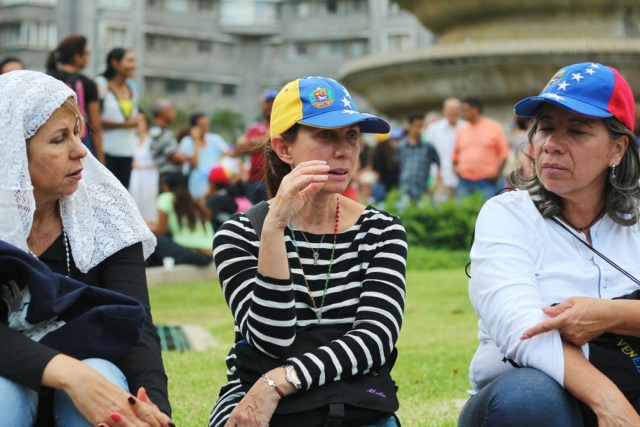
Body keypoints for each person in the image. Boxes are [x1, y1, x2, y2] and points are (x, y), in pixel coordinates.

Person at [209, 76, 407, 427]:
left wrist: (278, 383)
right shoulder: (239, 234)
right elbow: (271, 340)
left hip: (350, 395)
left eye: (352, 136)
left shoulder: (381, 231)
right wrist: (273, 230)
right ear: (284, 149)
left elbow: (375, 339)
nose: (343, 150)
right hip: (253, 398)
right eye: (325, 135)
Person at [458, 62, 640, 426]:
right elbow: (523, 329)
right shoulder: (507, 215)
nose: (552, 145)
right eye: (545, 128)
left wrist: (609, 315)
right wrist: (611, 406)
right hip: (532, 401)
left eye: (577, 131)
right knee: (529, 398)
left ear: (617, 149)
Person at [0, 70, 172, 426]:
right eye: (59, 139)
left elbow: (136, 327)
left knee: (101, 371)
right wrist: (66, 372)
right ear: (12, 154)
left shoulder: (106, 213)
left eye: (78, 134)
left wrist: (154, 410)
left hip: (91, 394)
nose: (81, 151)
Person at [46, 34, 104, 163]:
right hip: (80, 141)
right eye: (87, 54)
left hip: (52, 140)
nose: (88, 58)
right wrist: (100, 158)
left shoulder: (47, 78)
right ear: (77, 56)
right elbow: (95, 125)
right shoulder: (87, 83)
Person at [96, 47, 142, 189]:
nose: (134, 65)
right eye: (129, 61)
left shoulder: (133, 87)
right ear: (115, 63)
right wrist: (124, 125)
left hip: (127, 151)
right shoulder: (101, 84)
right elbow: (93, 119)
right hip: (105, 152)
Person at [146, 172, 214, 266]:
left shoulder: (166, 198)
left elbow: (160, 230)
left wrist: (144, 227)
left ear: (166, 186)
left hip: (192, 251)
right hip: (210, 252)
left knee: (151, 239)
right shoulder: (192, 200)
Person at [453, 96, 510, 202]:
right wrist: (457, 171)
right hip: (465, 181)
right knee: (462, 212)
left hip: (487, 181)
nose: (462, 113)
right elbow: (455, 155)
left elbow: (504, 153)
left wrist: (496, 173)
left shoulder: (494, 127)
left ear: (475, 109)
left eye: (465, 110)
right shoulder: (462, 129)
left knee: (487, 212)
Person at [236, 89, 278, 205]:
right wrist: (264, 140)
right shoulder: (255, 126)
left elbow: (272, 142)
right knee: (252, 217)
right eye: (267, 103)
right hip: (253, 181)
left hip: (273, 180)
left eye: (273, 102)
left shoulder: (281, 125)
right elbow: (240, 147)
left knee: (271, 214)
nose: (270, 106)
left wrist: (252, 143)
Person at [179, 112, 233, 200]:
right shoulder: (187, 142)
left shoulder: (215, 139)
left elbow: (230, 153)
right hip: (196, 184)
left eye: (207, 124)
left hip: (214, 185)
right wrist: (196, 141)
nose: (205, 127)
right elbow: (194, 164)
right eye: (202, 125)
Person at [425, 98, 464, 202]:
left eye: (456, 109)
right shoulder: (434, 129)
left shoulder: (466, 127)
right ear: (444, 111)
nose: (453, 112)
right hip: (441, 178)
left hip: (463, 179)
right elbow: (429, 154)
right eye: (450, 109)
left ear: (461, 111)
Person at [397, 113, 441, 201]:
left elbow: (439, 166)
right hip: (405, 189)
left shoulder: (428, 147)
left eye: (421, 126)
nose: (419, 129)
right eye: (417, 126)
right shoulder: (401, 146)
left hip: (423, 190)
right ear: (409, 126)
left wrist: (435, 185)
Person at [149, 99, 188, 189]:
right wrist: (186, 157)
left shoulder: (159, 130)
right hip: (167, 178)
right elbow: (176, 158)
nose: (174, 113)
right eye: (171, 110)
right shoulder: (160, 132)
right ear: (163, 112)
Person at [129, 114, 159, 222]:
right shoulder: (132, 140)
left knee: (148, 202)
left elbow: (157, 160)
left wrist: (140, 166)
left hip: (149, 176)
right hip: (136, 176)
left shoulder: (152, 140)